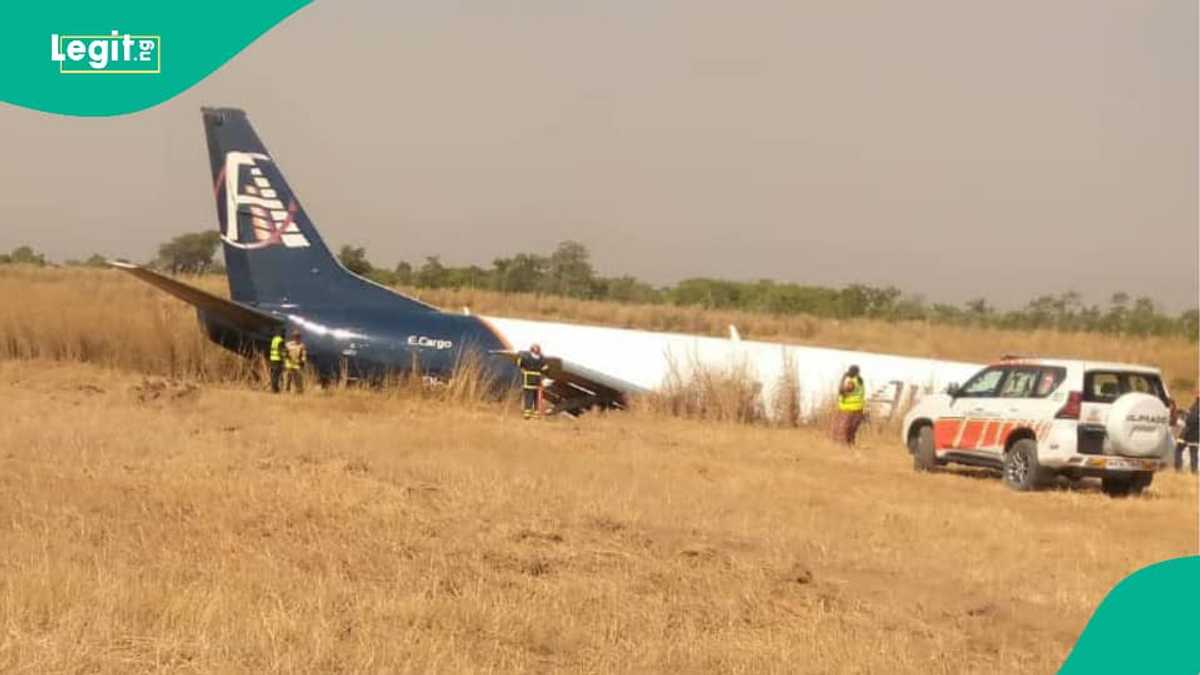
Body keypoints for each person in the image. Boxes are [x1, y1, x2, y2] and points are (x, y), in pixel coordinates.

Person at [833, 365, 866, 446]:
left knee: (844, 427)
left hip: (848, 408)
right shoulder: (860, 380)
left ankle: (844, 444)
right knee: (852, 428)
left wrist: (843, 378)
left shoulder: (852, 382)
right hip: (858, 407)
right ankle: (851, 443)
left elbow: (842, 391)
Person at [515, 343, 550, 419]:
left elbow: (519, 363)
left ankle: (527, 414)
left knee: (528, 396)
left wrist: (522, 368)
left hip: (528, 378)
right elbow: (545, 368)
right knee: (536, 396)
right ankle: (536, 414)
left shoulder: (525, 357)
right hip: (537, 379)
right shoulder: (542, 358)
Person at [1175, 391, 1198, 474]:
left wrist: (1185, 416)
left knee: (1178, 449)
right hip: (1196, 434)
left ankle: (1178, 469)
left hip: (1188, 433)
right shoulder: (1194, 406)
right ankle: (1194, 471)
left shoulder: (1196, 406)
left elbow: (1191, 419)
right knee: (1193, 453)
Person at [284, 329, 307, 394]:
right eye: (295, 336)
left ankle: (299, 391)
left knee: (298, 379)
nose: (297, 337)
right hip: (289, 364)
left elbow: (304, 355)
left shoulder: (302, 345)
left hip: (297, 364)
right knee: (287, 379)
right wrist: (286, 356)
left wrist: (303, 361)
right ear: (293, 337)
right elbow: (284, 352)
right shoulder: (288, 344)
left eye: (298, 336)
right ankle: (286, 391)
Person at [267, 329, 285, 393]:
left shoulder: (274, 339)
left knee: (273, 375)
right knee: (276, 375)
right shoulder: (280, 340)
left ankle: (273, 388)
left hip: (272, 359)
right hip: (277, 360)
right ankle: (275, 389)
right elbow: (281, 351)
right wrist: (283, 359)